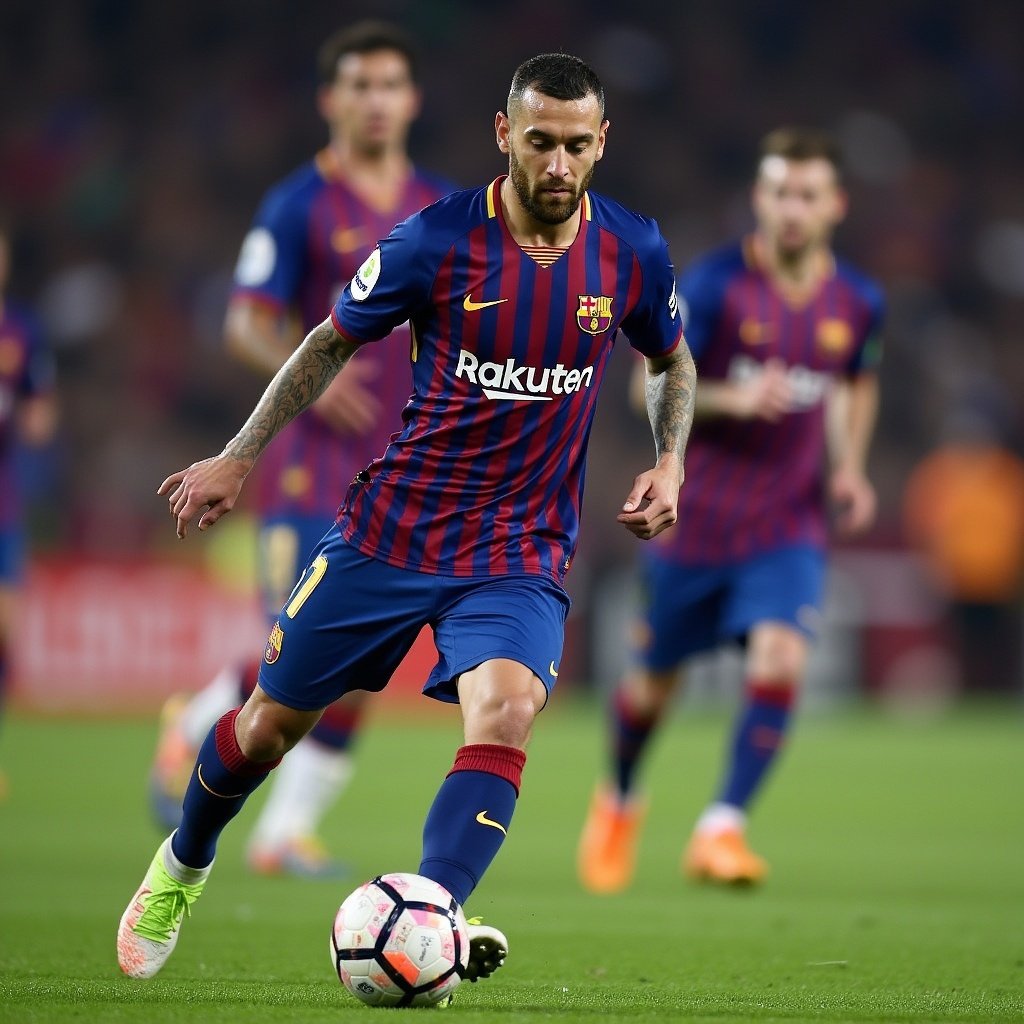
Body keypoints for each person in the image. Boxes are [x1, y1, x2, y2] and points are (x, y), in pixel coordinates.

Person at [116, 51, 696, 984]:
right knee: (267, 728)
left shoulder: (633, 250)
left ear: (602, 144)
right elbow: (325, 342)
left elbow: (670, 360)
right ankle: (181, 865)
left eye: (576, 146)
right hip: (393, 533)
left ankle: (431, 914)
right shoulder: (433, 242)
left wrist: (670, 462)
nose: (557, 165)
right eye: (539, 142)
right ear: (505, 133)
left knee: (506, 713)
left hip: (519, 549)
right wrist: (241, 452)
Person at [148, 20, 455, 878]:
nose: (375, 101)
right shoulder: (297, 204)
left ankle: (281, 832)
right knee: (303, 641)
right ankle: (199, 728)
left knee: (354, 662)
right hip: (304, 466)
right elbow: (244, 320)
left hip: (405, 468)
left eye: (390, 84)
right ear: (330, 100)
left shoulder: (439, 207)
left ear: (413, 100)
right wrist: (320, 376)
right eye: (358, 85)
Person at [578, 127, 883, 892]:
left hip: (786, 524)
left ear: (834, 204)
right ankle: (618, 799)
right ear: (759, 196)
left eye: (808, 194)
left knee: (783, 658)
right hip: (695, 522)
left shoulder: (858, 301)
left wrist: (848, 467)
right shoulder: (714, 287)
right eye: (780, 191)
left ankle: (721, 828)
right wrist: (735, 395)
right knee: (653, 686)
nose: (792, 208)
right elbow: (643, 385)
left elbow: (854, 381)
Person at [0, 226, 58, 799]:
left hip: (3, 504)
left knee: (4, 628)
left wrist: (37, 416)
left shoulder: (20, 330)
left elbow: (39, 411)